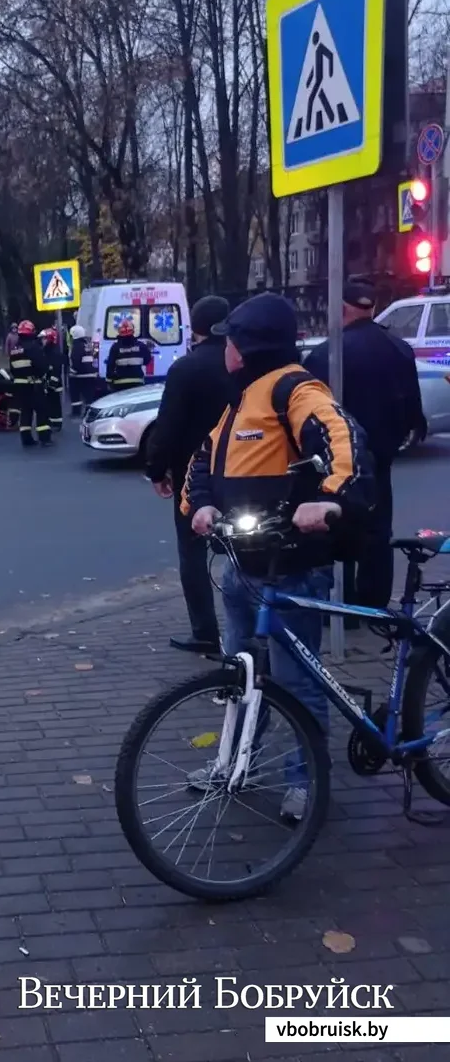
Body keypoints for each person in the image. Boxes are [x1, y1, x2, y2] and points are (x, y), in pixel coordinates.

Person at [182, 291, 375, 822]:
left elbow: (344, 443)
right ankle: (235, 763)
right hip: (243, 563)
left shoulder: (294, 389)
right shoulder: (240, 400)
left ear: (244, 347)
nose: (223, 350)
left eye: (229, 341)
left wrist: (329, 501)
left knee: (295, 684)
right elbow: (205, 459)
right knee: (241, 678)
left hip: (292, 566)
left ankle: (304, 783)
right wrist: (198, 505)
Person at [304, 277, 426, 609]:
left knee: (337, 525)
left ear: (341, 309)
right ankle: (374, 600)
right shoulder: (399, 348)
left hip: (338, 457)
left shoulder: (326, 354)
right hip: (381, 455)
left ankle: (340, 604)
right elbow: (412, 407)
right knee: (378, 526)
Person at [145, 296, 233, 654]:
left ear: (193, 328)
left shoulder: (186, 369)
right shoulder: (243, 364)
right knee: (249, 550)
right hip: (246, 470)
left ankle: (205, 630)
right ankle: (254, 627)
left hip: (193, 475)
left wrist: (156, 470)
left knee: (193, 552)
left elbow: (168, 426)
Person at [9, 320, 52, 447]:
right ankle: (44, 438)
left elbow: (12, 368)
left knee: (26, 412)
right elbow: (41, 365)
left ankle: (26, 438)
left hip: (19, 386)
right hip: (33, 384)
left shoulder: (14, 349)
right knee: (41, 410)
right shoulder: (33, 347)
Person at [105, 318, 152, 392]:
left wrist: (109, 381)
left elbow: (110, 365)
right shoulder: (141, 346)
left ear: (119, 332)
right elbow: (147, 360)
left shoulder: (115, 347)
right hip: (137, 381)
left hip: (119, 383)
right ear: (133, 331)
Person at [67, 325, 95, 417]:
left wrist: (73, 371)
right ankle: (89, 412)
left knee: (75, 394)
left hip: (79, 375)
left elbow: (75, 359)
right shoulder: (88, 344)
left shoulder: (76, 345)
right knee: (89, 395)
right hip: (90, 374)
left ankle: (76, 412)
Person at [40, 327, 64, 432]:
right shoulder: (46, 350)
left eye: (44, 338)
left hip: (54, 384)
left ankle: (57, 423)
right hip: (48, 382)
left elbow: (56, 369)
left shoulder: (54, 352)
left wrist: (52, 384)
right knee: (49, 403)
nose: (42, 341)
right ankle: (52, 422)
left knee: (55, 403)